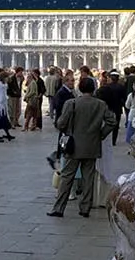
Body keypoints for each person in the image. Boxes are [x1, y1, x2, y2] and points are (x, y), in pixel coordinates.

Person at [47, 77, 116, 219]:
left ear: (79, 88)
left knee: (67, 177)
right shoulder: (101, 104)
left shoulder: (71, 103)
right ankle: (85, 208)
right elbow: (112, 121)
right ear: (93, 89)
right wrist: (101, 134)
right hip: (92, 145)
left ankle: (59, 208)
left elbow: (61, 123)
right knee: (88, 177)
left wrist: (66, 127)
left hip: (73, 146)